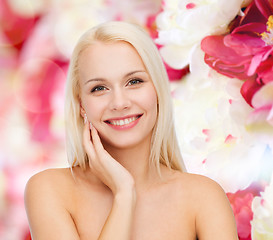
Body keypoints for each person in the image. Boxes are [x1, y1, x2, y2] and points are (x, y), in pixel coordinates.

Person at [24, 21, 238, 240]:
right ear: (81, 104)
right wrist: (124, 195)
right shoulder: (49, 190)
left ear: (157, 90)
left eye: (134, 81)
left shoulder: (204, 198)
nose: (119, 102)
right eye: (99, 88)